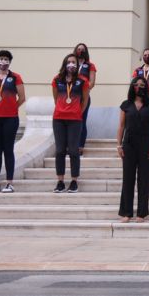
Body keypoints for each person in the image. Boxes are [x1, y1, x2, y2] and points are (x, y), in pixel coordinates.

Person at [116, 77, 149, 223]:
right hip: (129, 144)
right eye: (136, 85)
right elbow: (121, 126)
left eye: (142, 85)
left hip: (146, 144)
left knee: (144, 178)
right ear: (132, 87)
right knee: (128, 178)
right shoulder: (126, 104)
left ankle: (142, 212)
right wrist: (119, 145)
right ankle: (126, 212)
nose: (139, 87)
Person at [0, 50, 26, 194]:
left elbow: (22, 97)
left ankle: (9, 183)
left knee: (8, 150)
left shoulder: (16, 77)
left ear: (9, 62)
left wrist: (12, 108)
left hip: (10, 119)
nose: (3, 62)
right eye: (1, 59)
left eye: (6, 59)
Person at [52, 54, 90, 193]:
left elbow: (85, 100)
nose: (71, 64)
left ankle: (74, 181)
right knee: (60, 150)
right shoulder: (57, 80)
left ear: (77, 65)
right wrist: (63, 108)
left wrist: (78, 112)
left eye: (74, 62)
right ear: (65, 64)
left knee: (73, 150)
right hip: (59, 119)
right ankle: (60, 181)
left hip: (75, 119)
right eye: (69, 62)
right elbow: (56, 98)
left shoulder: (82, 80)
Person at [74, 42, 96, 156]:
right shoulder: (71, 63)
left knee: (82, 120)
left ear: (85, 51)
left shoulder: (90, 65)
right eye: (78, 49)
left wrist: (84, 89)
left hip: (84, 96)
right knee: (72, 121)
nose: (80, 51)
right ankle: (72, 145)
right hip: (71, 97)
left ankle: (80, 146)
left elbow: (92, 83)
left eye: (82, 49)